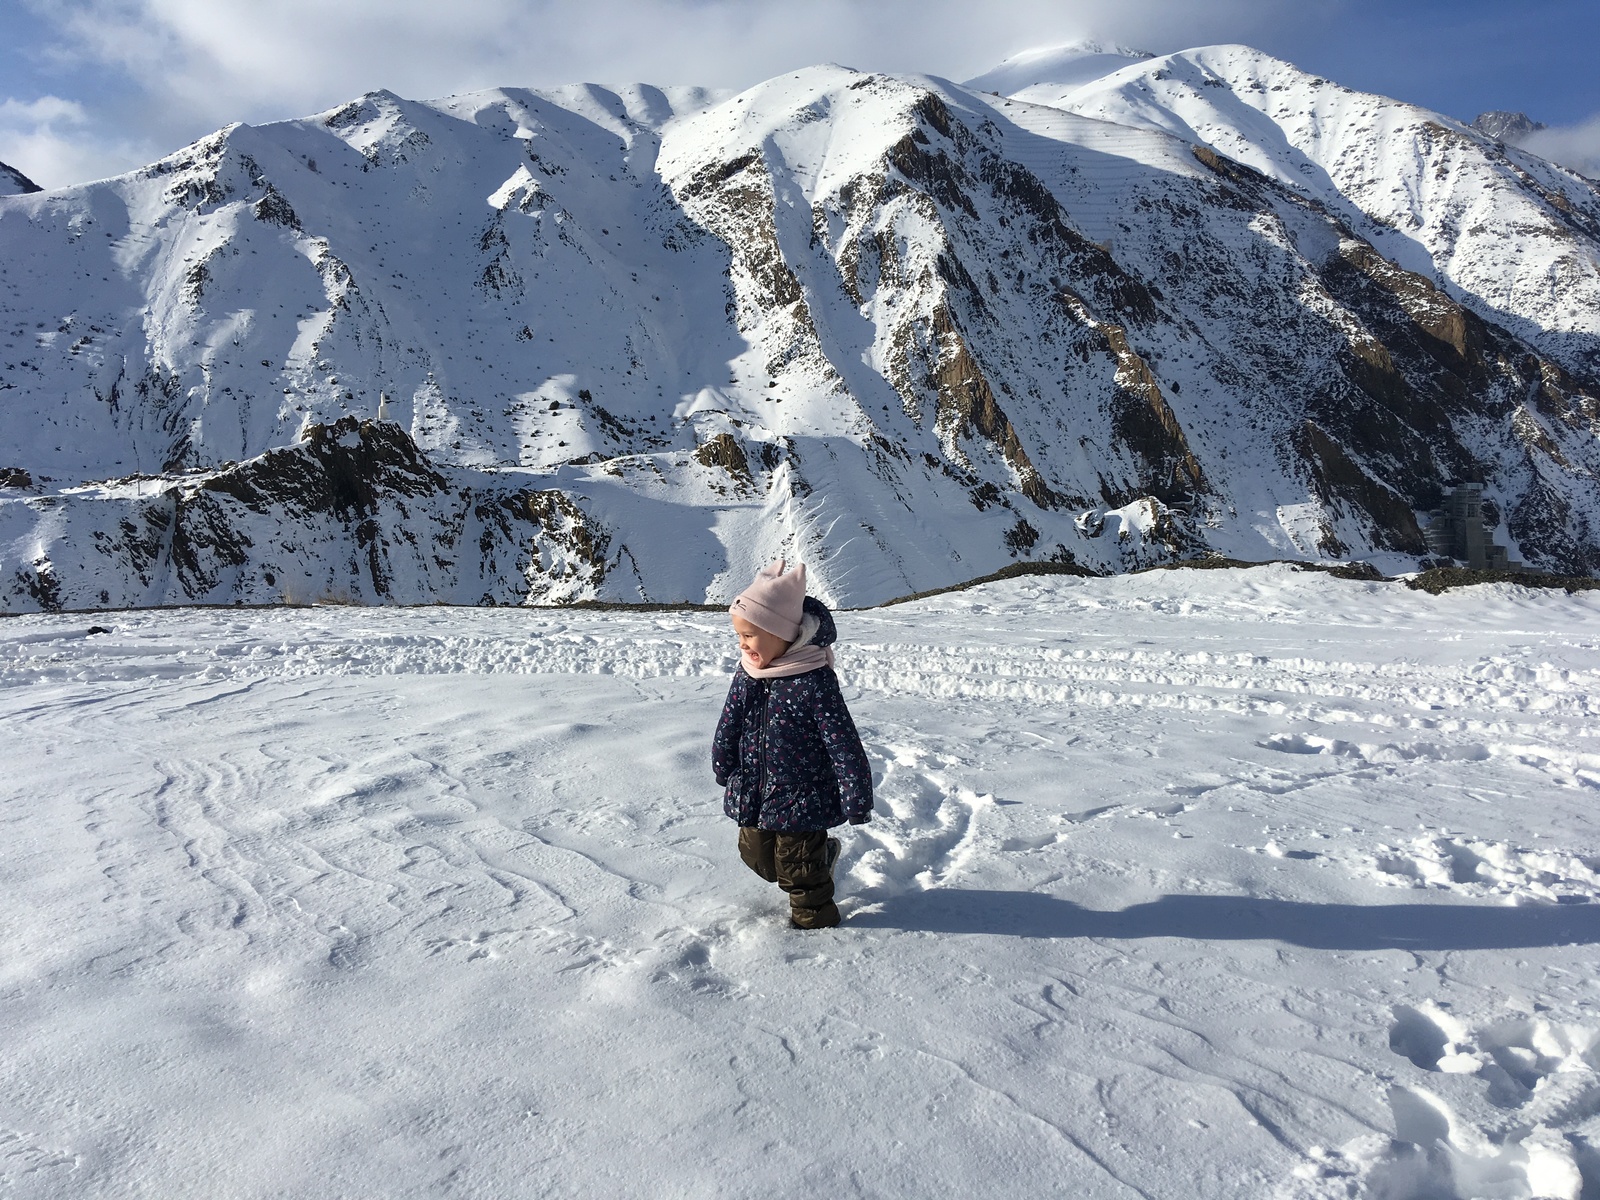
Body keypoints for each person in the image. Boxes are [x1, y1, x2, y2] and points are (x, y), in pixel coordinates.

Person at [712, 560, 873, 929]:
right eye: (739, 636)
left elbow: (843, 742)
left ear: (783, 634)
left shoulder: (814, 681)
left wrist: (856, 794)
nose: (743, 644)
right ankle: (825, 855)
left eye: (750, 636)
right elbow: (730, 721)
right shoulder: (748, 675)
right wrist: (723, 762)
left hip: (804, 796)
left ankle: (816, 928)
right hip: (756, 788)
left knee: (800, 873)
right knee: (757, 857)